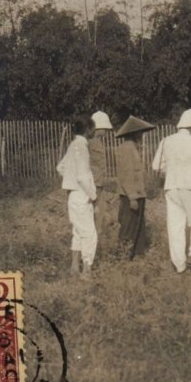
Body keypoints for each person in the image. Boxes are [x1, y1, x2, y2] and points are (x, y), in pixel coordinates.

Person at [152, 109, 191, 273]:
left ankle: (180, 266)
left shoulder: (166, 141)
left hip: (171, 187)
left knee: (175, 227)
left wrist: (170, 171)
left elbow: (156, 166)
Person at [56, 114, 97, 280]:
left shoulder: (73, 145)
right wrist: (93, 196)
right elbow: (82, 177)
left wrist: (69, 180)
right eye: (92, 128)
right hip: (81, 195)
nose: (94, 131)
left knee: (78, 232)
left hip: (73, 194)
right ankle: (87, 271)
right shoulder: (82, 147)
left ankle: (74, 267)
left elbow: (60, 167)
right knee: (90, 234)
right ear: (88, 130)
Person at [115, 115, 155, 260]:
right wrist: (132, 196)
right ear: (133, 133)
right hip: (131, 196)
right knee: (128, 227)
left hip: (138, 194)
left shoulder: (132, 147)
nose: (141, 135)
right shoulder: (126, 148)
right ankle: (123, 257)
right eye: (139, 132)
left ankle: (136, 255)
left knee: (138, 226)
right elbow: (126, 175)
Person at [89, 111, 116, 250]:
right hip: (92, 185)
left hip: (100, 184)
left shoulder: (98, 142)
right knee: (94, 215)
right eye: (105, 128)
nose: (106, 131)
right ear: (98, 128)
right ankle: (93, 245)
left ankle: (99, 244)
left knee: (101, 213)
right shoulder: (89, 143)